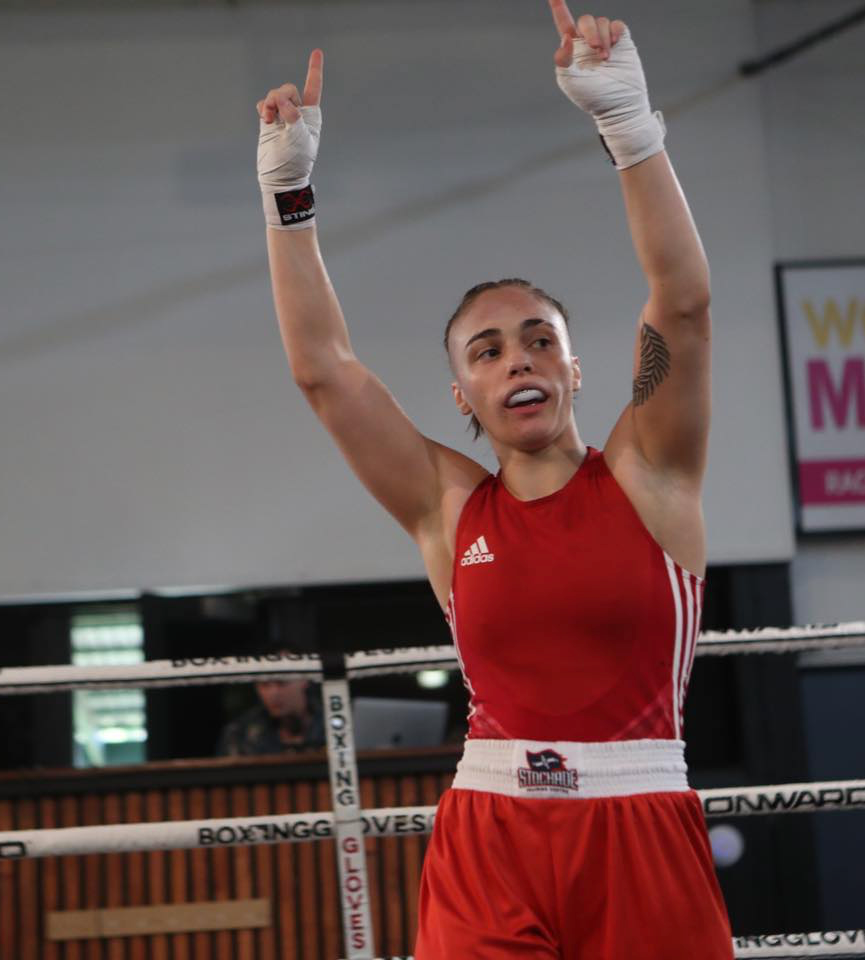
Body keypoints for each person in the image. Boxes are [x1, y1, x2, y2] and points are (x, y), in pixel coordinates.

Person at [255, 2, 732, 956]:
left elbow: (680, 303)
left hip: (637, 825)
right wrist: (288, 195)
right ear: (464, 393)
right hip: (491, 835)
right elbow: (325, 372)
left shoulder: (651, 474)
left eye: (539, 341)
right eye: (489, 351)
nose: (518, 361)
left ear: (575, 368)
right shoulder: (450, 506)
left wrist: (628, 122)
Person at [215, 644, 325, 756]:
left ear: (304, 679)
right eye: (264, 684)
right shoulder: (239, 734)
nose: (273, 693)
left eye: (282, 682)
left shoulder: (332, 726)